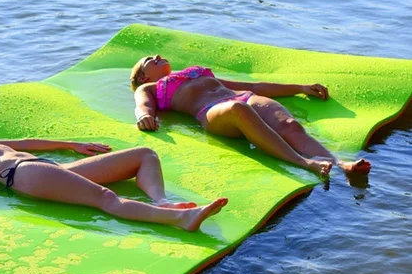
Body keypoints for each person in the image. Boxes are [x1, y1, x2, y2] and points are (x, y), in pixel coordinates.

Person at [0, 125, 227, 232]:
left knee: (144, 155)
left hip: (44, 167)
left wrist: (70, 144)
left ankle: (161, 201)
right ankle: (180, 219)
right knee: (105, 198)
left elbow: (22, 143)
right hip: (23, 174)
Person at [130, 54, 372, 176]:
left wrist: (300, 87)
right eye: (150, 59)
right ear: (143, 76)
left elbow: (253, 86)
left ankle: (342, 164)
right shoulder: (151, 87)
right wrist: (144, 116)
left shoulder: (193, 72)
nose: (157, 56)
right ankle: (305, 162)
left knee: (290, 125)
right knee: (239, 110)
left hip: (243, 97)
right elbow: (143, 105)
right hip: (214, 112)